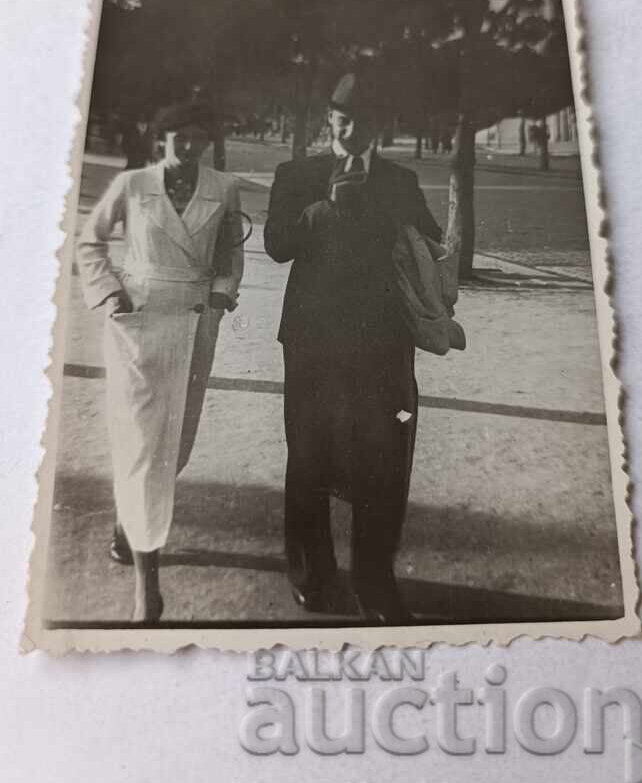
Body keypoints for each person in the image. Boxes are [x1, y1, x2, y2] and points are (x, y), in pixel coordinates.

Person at [264, 72, 442, 624]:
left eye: (361, 122)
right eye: (342, 120)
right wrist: (321, 210)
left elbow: (430, 246)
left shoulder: (400, 180)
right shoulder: (297, 175)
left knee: (383, 462)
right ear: (329, 121)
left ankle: (376, 583)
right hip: (312, 341)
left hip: (383, 344)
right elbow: (275, 246)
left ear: (375, 129)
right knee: (309, 455)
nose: (351, 129)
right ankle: (312, 577)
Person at [77, 99, 245, 624]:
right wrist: (110, 295)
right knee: (141, 441)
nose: (187, 147)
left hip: (193, 324)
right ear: (160, 139)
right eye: (177, 137)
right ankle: (146, 586)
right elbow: (90, 242)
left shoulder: (225, 189)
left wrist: (220, 296)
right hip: (138, 324)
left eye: (196, 137)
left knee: (177, 441)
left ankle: (131, 523)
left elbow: (229, 258)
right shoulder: (133, 186)